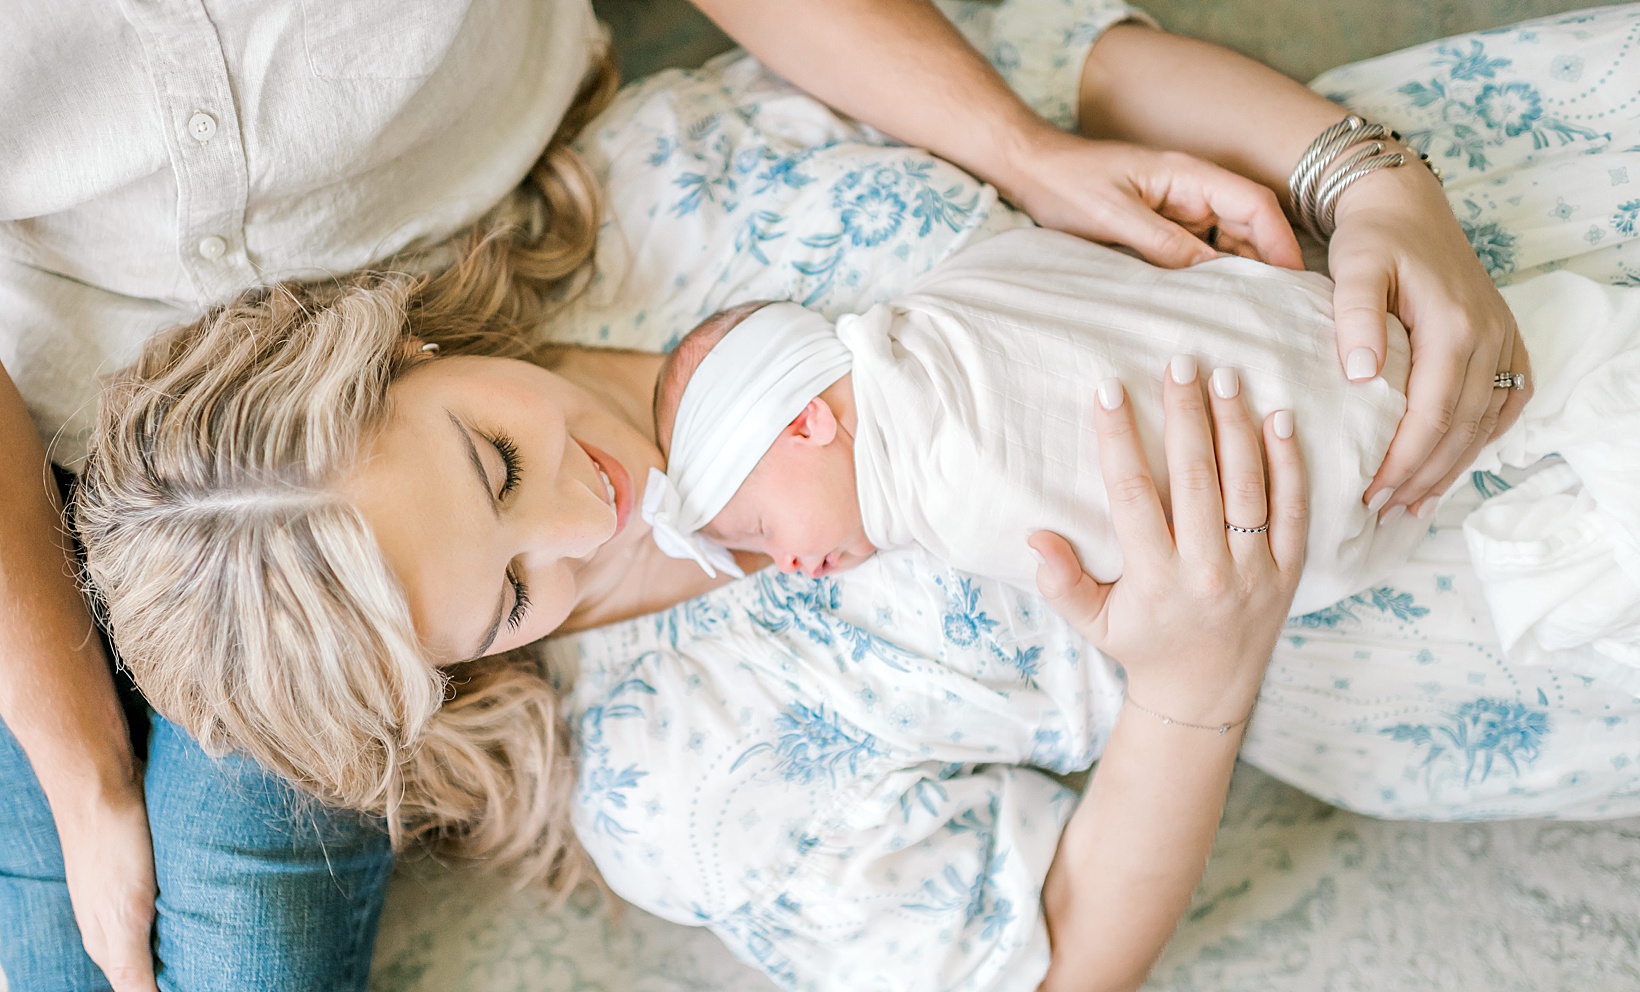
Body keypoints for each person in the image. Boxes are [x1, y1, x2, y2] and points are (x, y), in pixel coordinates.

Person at [0, 0, 1502, 992]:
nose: (586, 521)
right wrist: (81, 774)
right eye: (512, 600)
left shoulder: (690, 181)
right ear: (456, 674)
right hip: (108, 434)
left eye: (503, 463)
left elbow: (1074, 57)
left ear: (430, 352)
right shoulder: (672, 762)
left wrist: (1341, 170)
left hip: (355, 363)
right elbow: (1048, 944)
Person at [642, 228, 1640, 674]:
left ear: (810, 420)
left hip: (1318, 485)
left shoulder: (944, 482)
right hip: (1328, 324)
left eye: (768, 530)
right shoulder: (955, 284)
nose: (794, 569)